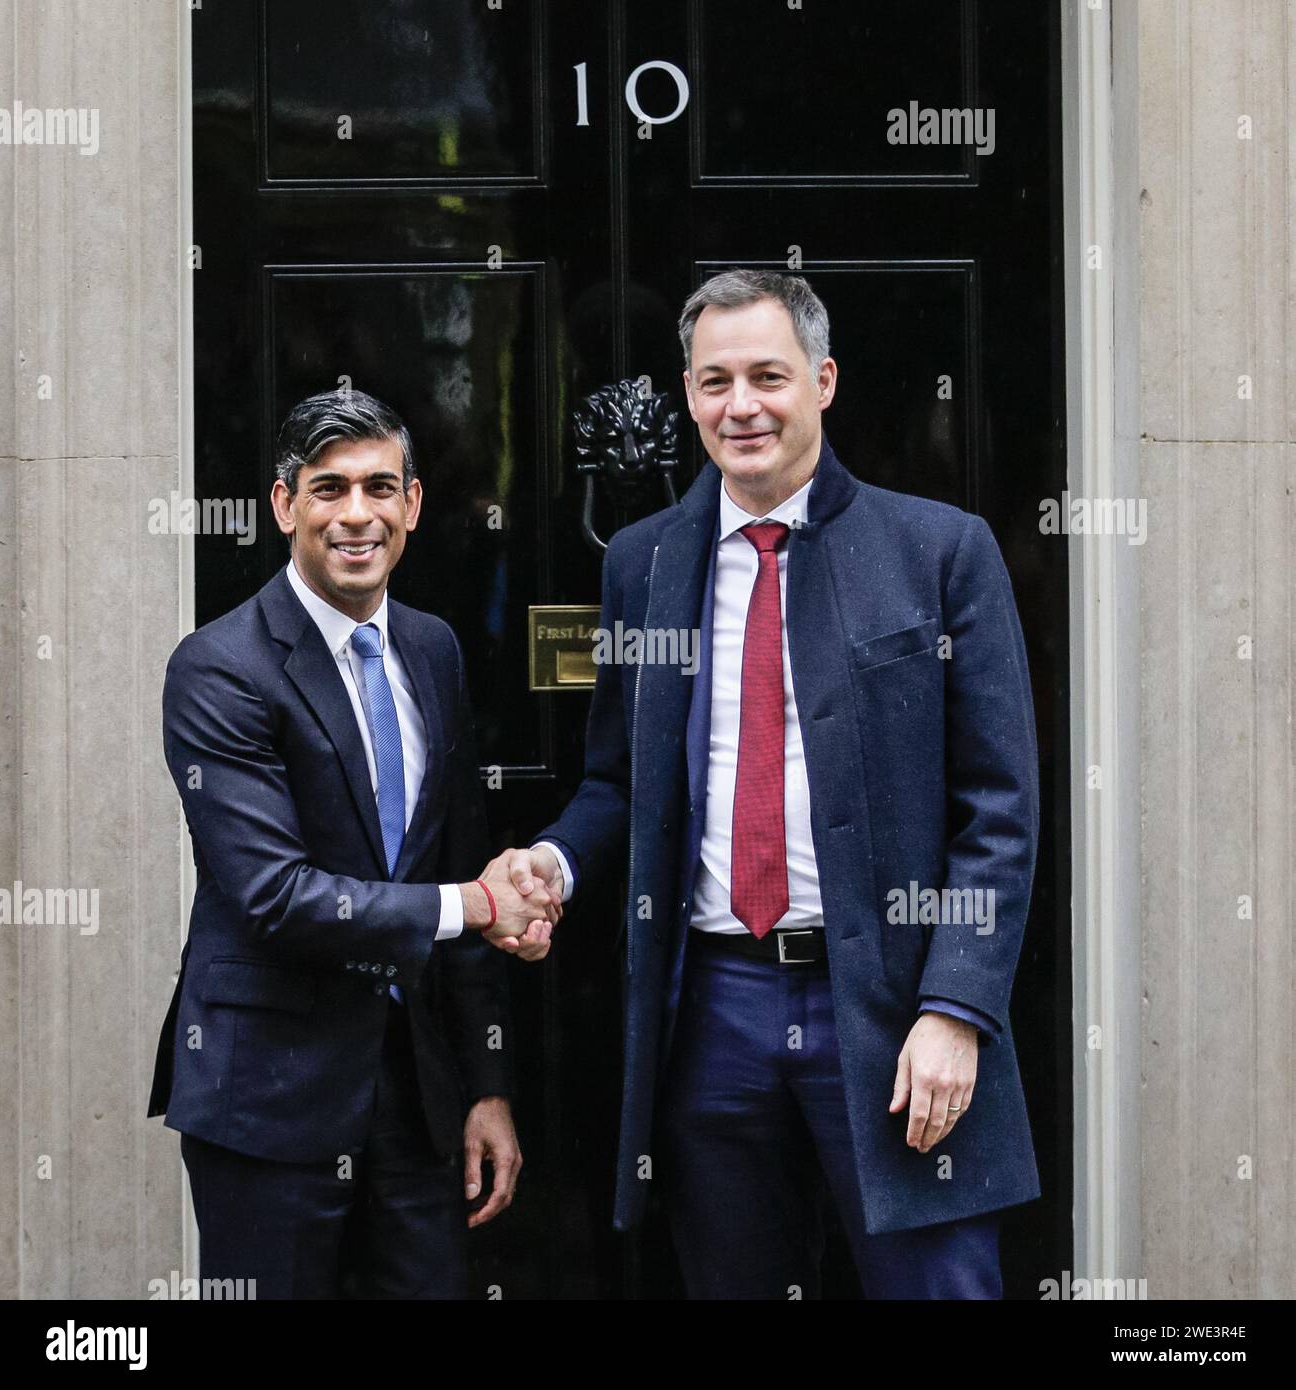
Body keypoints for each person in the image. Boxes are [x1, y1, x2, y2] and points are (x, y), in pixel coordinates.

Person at [495, 270, 1042, 1298]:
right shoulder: (645, 564)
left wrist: (958, 1005)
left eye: (766, 376)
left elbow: (997, 808)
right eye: (713, 381)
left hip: (889, 1005)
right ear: (689, 393)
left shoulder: (936, 552)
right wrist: (555, 861)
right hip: (714, 1009)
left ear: (823, 381)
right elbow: (619, 778)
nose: (739, 405)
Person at [148, 389, 556, 1299]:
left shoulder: (434, 648)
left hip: (419, 1107)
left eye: (380, 487)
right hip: (270, 1101)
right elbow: (277, 897)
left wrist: (486, 1085)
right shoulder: (218, 667)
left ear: (412, 503)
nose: (357, 514)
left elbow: (459, 857)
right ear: (285, 505)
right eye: (329, 490)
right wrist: (481, 906)